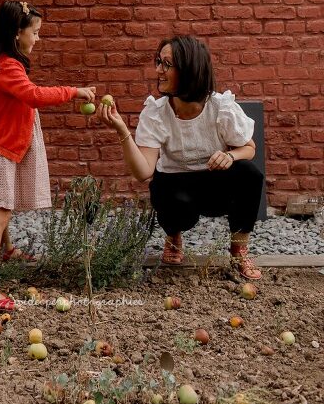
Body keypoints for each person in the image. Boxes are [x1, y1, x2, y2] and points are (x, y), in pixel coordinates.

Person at [98, 35, 264, 280]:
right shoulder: (156, 113)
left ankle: (239, 251)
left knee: (250, 174)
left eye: (166, 64)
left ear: (189, 69)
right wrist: (123, 131)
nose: (158, 70)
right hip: (175, 188)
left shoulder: (220, 107)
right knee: (162, 187)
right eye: (158, 62)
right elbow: (144, 172)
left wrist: (231, 155)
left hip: (213, 183)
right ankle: (173, 236)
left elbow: (249, 148)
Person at [0, 0, 96, 311]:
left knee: (4, 205)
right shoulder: (7, 67)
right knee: (1, 211)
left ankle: (8, 249)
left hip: (7, 143)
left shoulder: (9, 62)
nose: (38, 38)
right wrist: (73, 91)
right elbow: (33, 95)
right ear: (17, 33)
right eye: (35, 32)